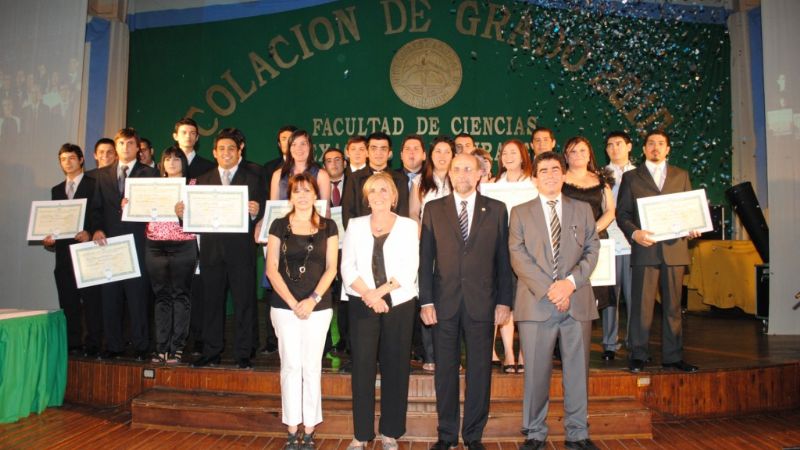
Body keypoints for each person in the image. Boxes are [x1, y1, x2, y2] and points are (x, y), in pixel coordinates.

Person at [419, 153, 513, 450]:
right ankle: (446, 435)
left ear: (479, 174)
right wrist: (426, 301)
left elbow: (503, 261)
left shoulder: (497, 210)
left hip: (482, 304)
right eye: (456, 169)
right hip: (443, 304)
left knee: (479, 371)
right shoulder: (433, 209)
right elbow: (425, 260)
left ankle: (473, 435)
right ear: (450, 174)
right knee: (445, 372)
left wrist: (504, 302)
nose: (461, 174)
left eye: (468, 169)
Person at [509, 151, 600, 450]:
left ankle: (577, 433)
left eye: (555, 169)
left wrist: (569, 285)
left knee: (577, 372)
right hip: (537, 304)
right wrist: (552, 289)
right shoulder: (520, 213)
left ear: (563, 174)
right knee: (535, 373)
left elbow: (592, 249)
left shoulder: (583, 209)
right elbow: (518, 257)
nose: (550, 175)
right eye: (543, 170)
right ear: (534, 178)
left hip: (577, 302)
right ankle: (535, 432)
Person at [341, 172, 419, 450]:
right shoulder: (355, 225)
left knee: (395, 367)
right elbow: (347, 267)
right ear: (367, 197)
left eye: (384, 190)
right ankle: (361, 435)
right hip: (362, 304)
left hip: (398, 303)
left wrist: (380, 293)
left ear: (394, 196)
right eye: (373, 191)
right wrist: (370, 296)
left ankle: (390, 433)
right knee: (362, 369)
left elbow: (410, 267)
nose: (379, 196)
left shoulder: (409, 226)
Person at [616, 130, 700, 373]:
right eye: (651, 143)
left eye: (660, 144)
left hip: (675, 250)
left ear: (668, 149)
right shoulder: (632, 177)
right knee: (641, 306)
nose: (655, 147)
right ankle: (638, 354)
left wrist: (693, 226)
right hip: (645, 249)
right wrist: (635, 233)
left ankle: (673, 357)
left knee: (674, 307)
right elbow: (623, 215)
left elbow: (689, 212)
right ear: (643, 149)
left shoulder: (681, 175)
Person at [264, 173, 338, 450]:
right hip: (285, 307)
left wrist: (312, 299)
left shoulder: (329, 226)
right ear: (290, 196)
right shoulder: (279, 224)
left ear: (316, 195)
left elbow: (332, 267)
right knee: (291, 366)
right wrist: (294, 303)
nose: (303, 195)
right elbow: (271, 268)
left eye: (308, 190)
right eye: (297, 191)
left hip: (318, 308)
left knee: (311, 367)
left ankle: (309, 430)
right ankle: (292, 427)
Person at [183, 129, 264, 369]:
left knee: (244, 303)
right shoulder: (203, 180)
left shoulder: (253, 178)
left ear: (240, 151)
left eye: (231, 148)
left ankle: (243, 353)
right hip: (211, 251)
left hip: (241, 251)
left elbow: (265, 213)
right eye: (221, 149)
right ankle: (211, 351)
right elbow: (194, 218)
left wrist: (256, 211)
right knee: (212, 303)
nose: (226, 153)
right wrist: (183, 214)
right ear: (214, 152)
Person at [91, 128, 159, 360]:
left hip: (138, 242)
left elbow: (155, 208)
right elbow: (96, 209)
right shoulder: (101, 175)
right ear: (116, 146)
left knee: (138, 296)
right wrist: (97, 229)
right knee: (110, 297)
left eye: (130, 144)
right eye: (121, 143)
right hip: (109, 244)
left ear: (138, 147)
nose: (125, 148)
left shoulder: (150, 174)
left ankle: (141, 346)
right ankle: (113, 345)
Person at [43, 143, 102, 356]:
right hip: (64, 256)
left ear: (81, 160)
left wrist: (90, 231)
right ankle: (73, 343)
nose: (67, 163)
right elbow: (54, 222)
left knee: (92, 301)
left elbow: (99, 216)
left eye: (71, 158)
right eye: (63, 159)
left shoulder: (94, 184)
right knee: (68, 302)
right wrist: (49, 239)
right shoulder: (57, 190)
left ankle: (94, 343)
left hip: (87, 253)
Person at [561, 137, 616, 358]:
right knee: (567, 290)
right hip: (565, 241)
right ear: (566, 156)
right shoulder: (560, 179)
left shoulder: (601, 181)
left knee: (594, 294)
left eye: (582, 150)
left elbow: (610, 211)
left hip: (594, 240)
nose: (578, 155)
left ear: (590, 153)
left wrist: (590, 230)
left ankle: (587, 345)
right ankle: (561, 346)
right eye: (572, 152)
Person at [141, 148, 198, 364]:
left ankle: (177, 347)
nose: (172, 162)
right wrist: (129, 206)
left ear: (183, 162)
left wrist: (185, 213)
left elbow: (200, 217)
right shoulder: (151, 186)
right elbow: (139, 211)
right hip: (154, 244)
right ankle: (161, 347)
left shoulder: (193, 186)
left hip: (183, 244)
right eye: (167, 158)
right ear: (162, 163)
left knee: (180, 296)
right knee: (161, 296)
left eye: (176, 158)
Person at [408, 136, 455, 372]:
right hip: (426, 245)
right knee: (427, 297)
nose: (442, 156)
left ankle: (451, 356)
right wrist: (422, 235)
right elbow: (414, 214)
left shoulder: (460, 179)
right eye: (438, 151)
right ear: (430, 155)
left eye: (447, 152)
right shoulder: (420, 182)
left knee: (451, 299)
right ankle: (429, 355)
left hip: (454, 249)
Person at [491, 139, 536, 374]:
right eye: (504, 153)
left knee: (525, 303)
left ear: (523, 156)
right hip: (500, 252)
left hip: (529, 252)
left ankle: (523, 353)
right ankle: (509, 352)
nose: (508, 156)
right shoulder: (492, 185)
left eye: (513, 152)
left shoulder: (534, 184)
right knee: (505, 301)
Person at [171, 117, 214, 356]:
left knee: (198, 290)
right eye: (183, 131)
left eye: (192, 133)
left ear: (197, 138)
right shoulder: (165, 167)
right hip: (168, 238)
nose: (188, 136)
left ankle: (198, 338)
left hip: (198, 235)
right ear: (175, 135)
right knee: (176, 289)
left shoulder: (207, 167)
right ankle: (175, 339)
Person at [603, 131, 636, 357]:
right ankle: (609, 344)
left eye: (619, 144)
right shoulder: (600, 175)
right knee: (609, 298)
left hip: (635, 243)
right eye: (610, 145)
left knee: (635, 298)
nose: (615, 148)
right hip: (609, 243)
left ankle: (635, 342)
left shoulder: (641, 174)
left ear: (629, 146)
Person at [342, 132, 409, 227]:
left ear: (389, 153)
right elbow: (348, 214)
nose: (378, 153)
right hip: (361, 236)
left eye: (383, 149)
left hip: (393, 237)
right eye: (374, 148)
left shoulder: (400, 179)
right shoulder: (354, 179)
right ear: (367, 152)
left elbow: (403, 213)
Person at [270, 129, 331, 201]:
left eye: (303, 144)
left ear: (310, 147)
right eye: (294, 144)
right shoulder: (278, 175)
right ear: (289, 149)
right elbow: (273, 208)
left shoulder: (322, 175)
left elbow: (325, 209)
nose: (299, 148)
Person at [264, 125, 298, 200]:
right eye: (284, 139)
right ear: (279, 144)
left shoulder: (313, 168)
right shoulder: (269, 168)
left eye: (291, 138)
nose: (288, 142)